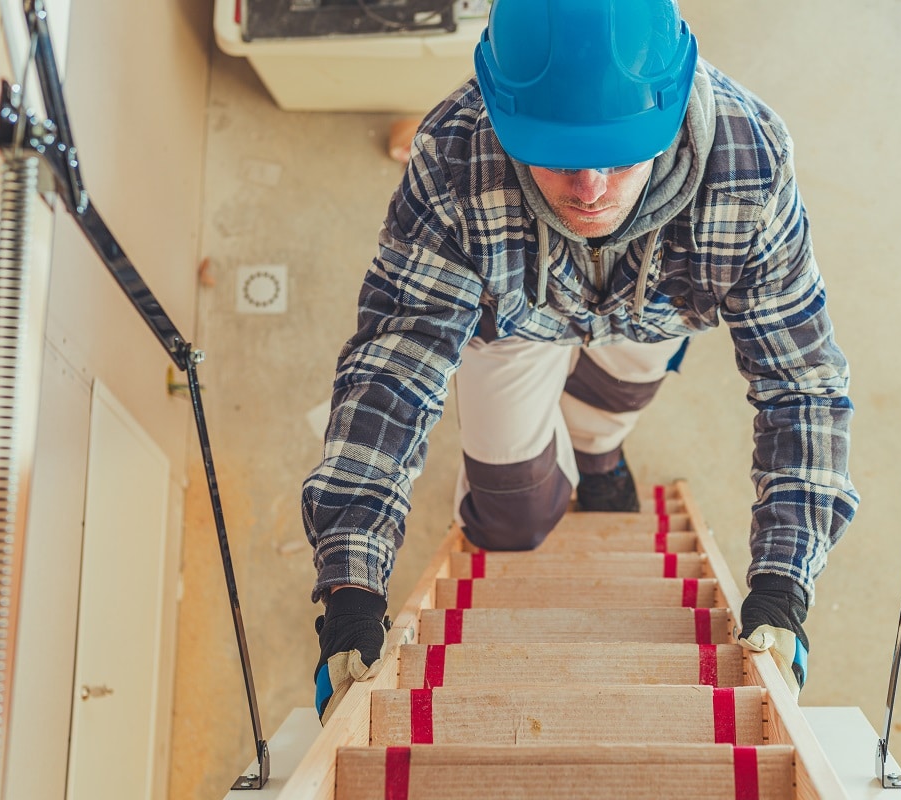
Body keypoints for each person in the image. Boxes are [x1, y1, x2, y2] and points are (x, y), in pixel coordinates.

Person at [304, 0, 859, 723]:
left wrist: (785, 579)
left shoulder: (749, 161)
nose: (590, 189)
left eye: (623, 153)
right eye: (559, 154)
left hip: (657, 308)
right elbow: (393, 370)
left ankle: (596, 460)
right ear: (502, 114)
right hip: (511, 323)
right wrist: (352, 583)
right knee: (509, 520)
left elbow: (801, 381)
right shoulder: (451, 158)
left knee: (609, 411)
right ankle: (565, 467)